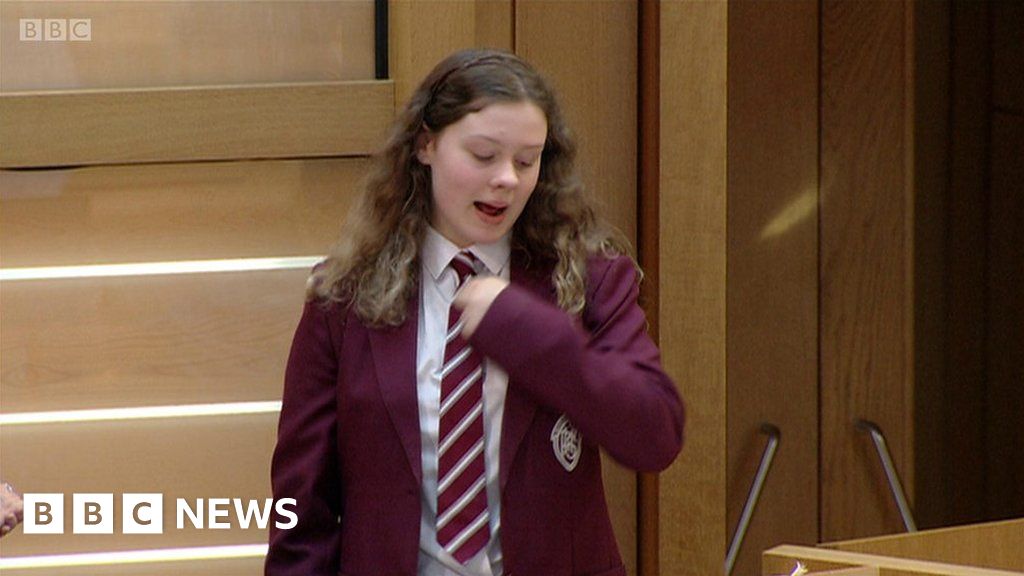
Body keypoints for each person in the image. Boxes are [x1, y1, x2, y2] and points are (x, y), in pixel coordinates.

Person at [266, 48, 684, 576]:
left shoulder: (592, 278)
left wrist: (524, 329)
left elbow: (655, 435)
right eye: (484, 156)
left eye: (526, 161)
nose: (507, 179)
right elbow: (302, 509)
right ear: (426, 145)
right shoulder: (344, 296)